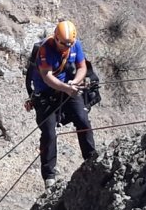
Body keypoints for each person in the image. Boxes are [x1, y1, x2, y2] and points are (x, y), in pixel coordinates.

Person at [27, 20, 97, 189]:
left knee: (82, 119)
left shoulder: (75, 45)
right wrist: (67, 88)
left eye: (69, 43)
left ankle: (91, 158)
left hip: (68, 88)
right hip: (47, 93)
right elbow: (47, 77)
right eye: (63, 43)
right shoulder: (45, 50)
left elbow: (82, 67)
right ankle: (49, 176)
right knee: (49, 132)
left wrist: (75, 82)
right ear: (56, 38)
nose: (67, 47)